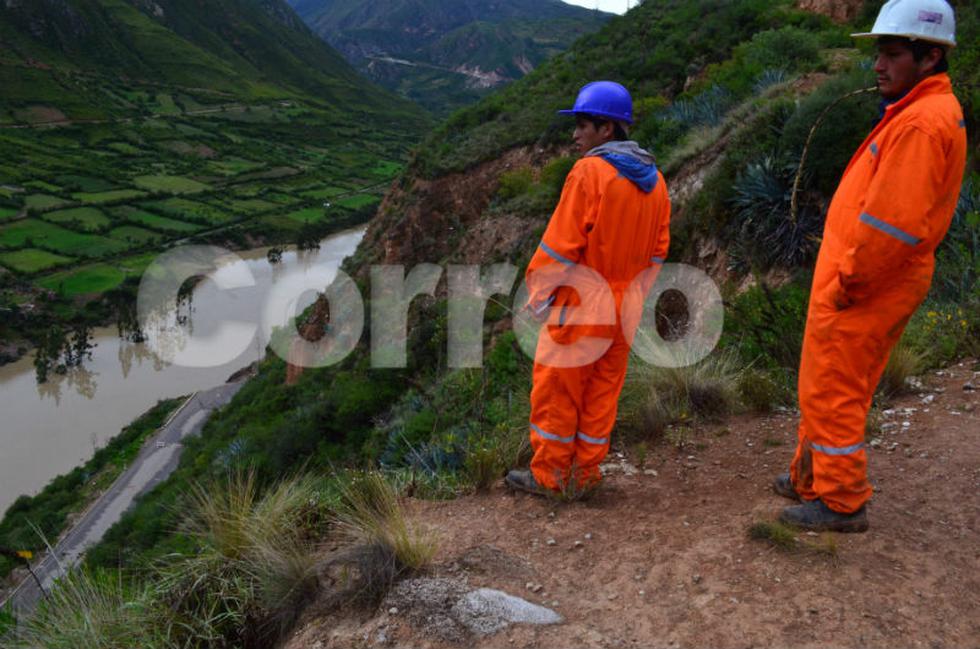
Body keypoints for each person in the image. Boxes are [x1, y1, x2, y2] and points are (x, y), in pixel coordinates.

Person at [776, 0, 967, 532]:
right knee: (824, 379)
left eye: (891, 54)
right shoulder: (918, 113)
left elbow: (893, 228)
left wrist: (849, 283)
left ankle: (841, 501)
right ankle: (810, 477)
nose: (878, 66)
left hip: (867, 282)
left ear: (929, 57)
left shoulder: (923, 125)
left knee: (837, 384)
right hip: (865, 278)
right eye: (879, 54)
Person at [505, 81, 671, 496]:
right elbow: (658, 252)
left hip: (581, 305)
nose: (575, 135)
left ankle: (551, 477)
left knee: (558, 389)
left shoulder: (589, 173)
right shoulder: (656, 182)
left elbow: (561, 244)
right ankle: (585, 474)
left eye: (583, 126)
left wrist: (539, 293)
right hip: (625, 307)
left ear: (608, 130)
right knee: (602, 392)